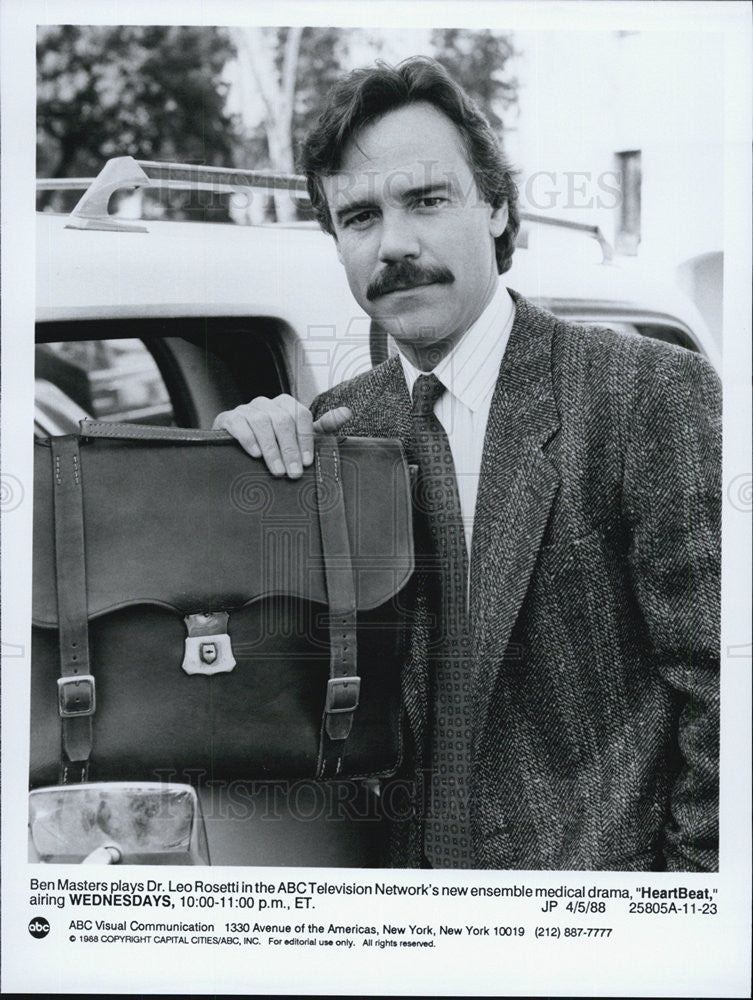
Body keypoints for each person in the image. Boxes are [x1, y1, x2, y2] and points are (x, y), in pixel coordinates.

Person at [214, 57, 721, 871]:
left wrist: (679, 913)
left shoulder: (645, 393)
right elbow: (261, 688)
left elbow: (725, 681)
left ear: (496, 208)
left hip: (596, 929)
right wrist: (224, 464)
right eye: (359, 216)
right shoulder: (331, 431)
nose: (396, 245)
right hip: (404, 933)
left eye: (426, 200)